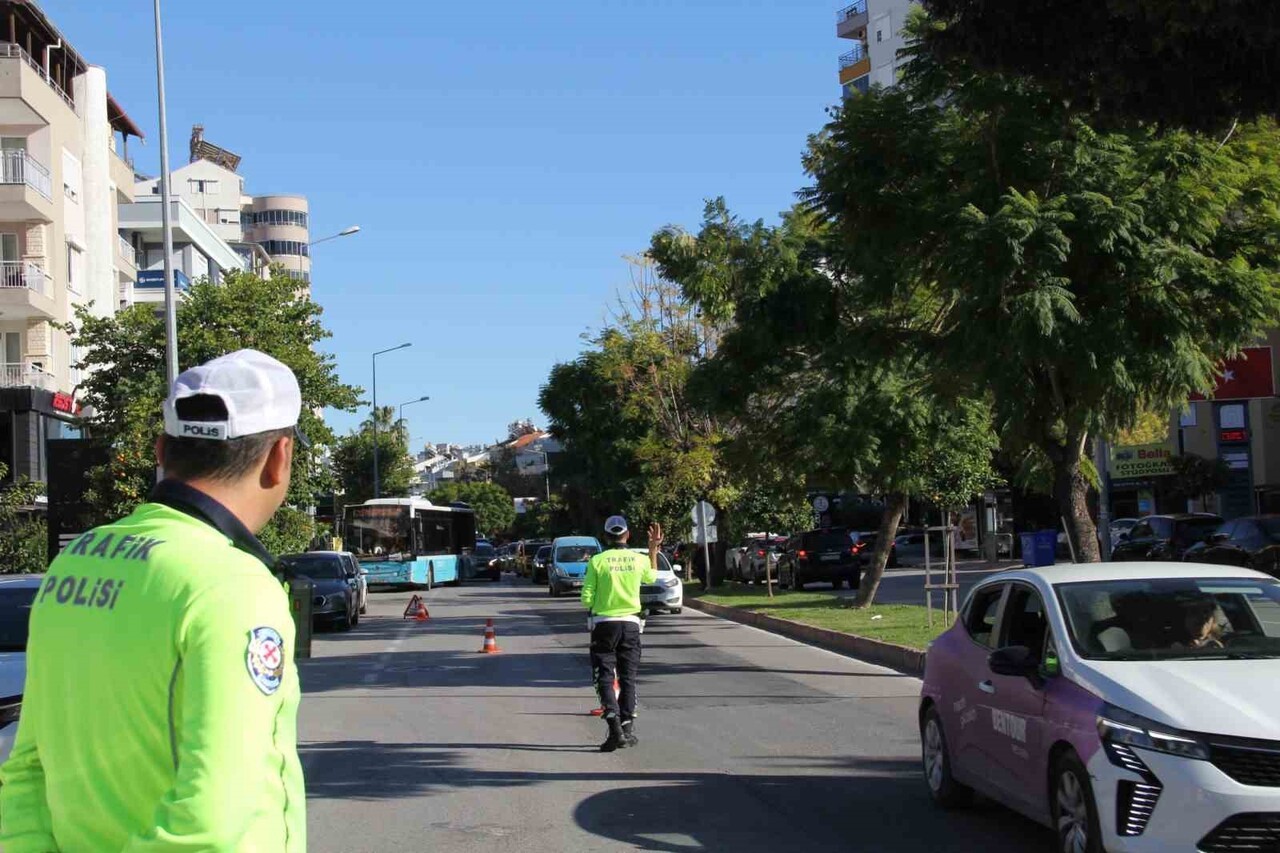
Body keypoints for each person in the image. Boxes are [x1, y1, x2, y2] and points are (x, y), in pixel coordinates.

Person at [0, 349, 308, 852]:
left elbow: (28, 764)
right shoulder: (232, 583)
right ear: (280, 458)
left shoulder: (77, 560)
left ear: (162, 450)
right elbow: (212, 817)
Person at [581, 515, 660, 752]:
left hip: (604, 624)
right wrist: (652, 550)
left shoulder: (597, 561)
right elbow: (651, 576)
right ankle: (627, 729)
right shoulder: (638, 560)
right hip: (632, 624)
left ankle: (614, 726)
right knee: (628, 677)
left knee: (604, 677)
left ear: (606, 537)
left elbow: (586, 597)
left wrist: (598, 605)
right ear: (627, 535)